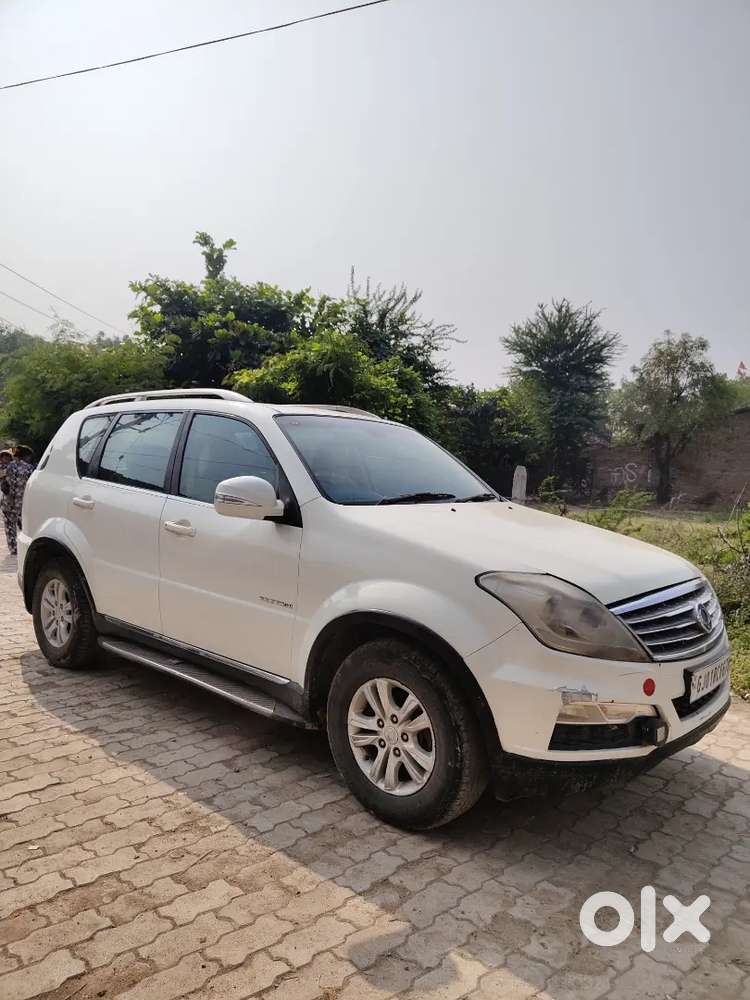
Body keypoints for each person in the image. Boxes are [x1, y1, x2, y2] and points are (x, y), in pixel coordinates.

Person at [3, 445, 35, 556]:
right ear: (26, 456)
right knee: (25, 527)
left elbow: (4, 482)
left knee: (9, 528)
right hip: (23, 503)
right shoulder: (30, 468)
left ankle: (13, 549)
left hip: (8, 502)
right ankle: (24, 548)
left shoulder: (8, 466)